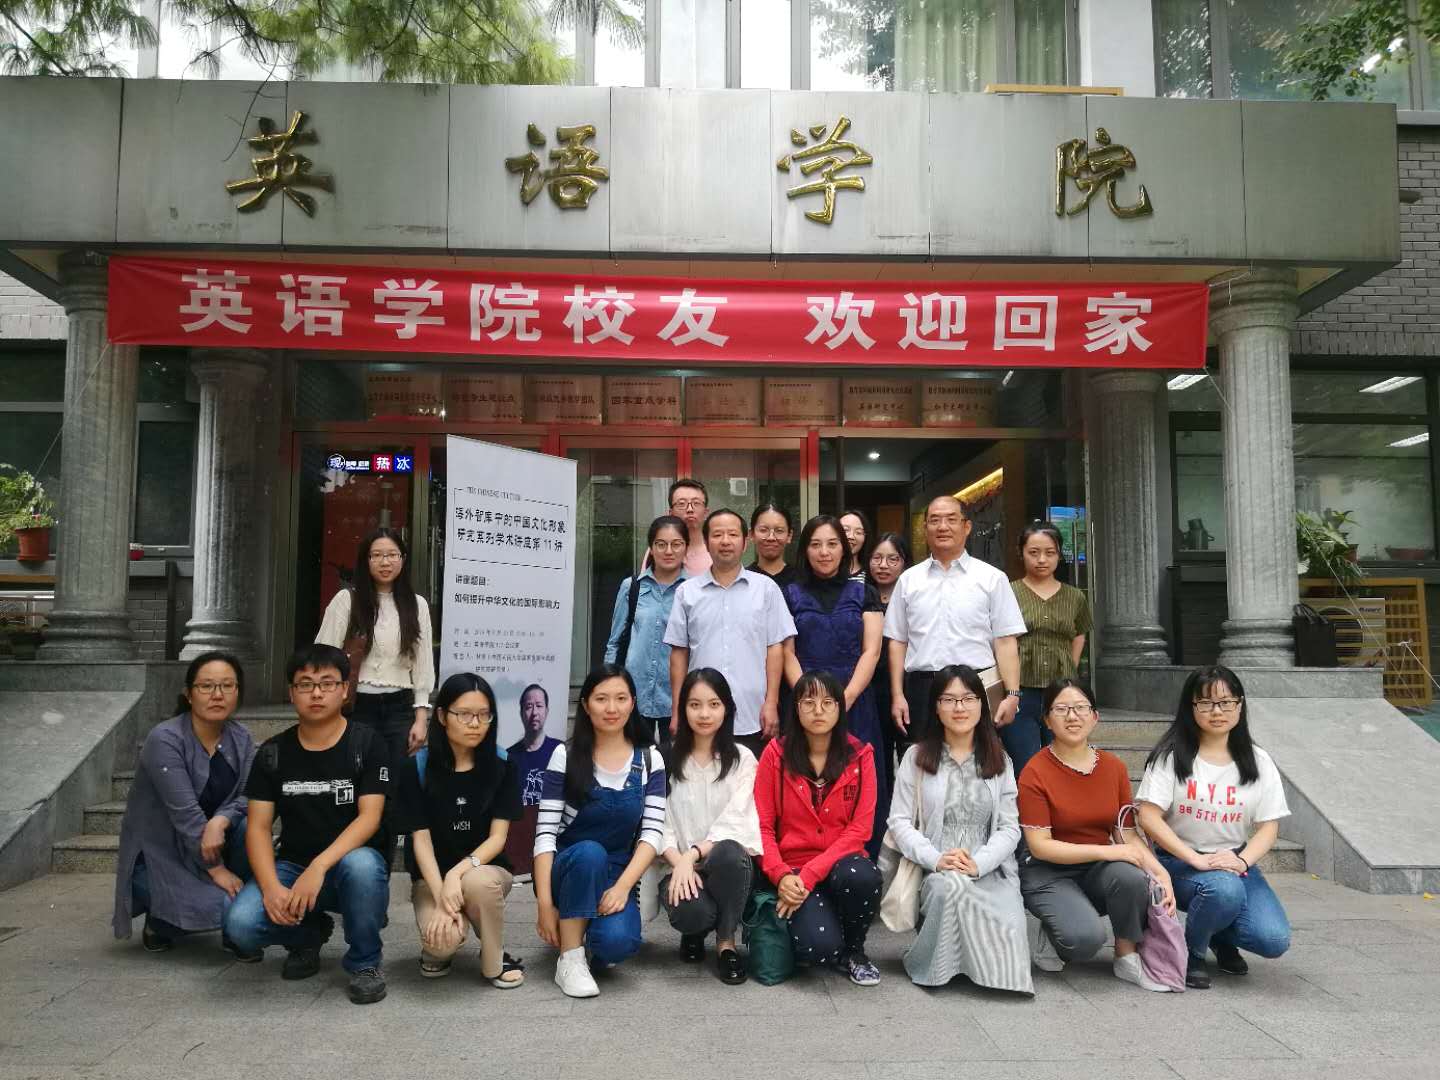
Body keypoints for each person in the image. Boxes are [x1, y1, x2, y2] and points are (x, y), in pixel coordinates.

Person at [224, 644, 392, 1005]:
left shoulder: (366, 744)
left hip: (348, 867)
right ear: (292, 693)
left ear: (344, 690)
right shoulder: (273, 752)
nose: (316, 693)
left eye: (327, 683)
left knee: (363, 866)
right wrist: (271, 887)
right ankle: (307, 935)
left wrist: (319, 866)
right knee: (241, 925)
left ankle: (365, 963)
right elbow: (258, 827)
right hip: (292, 866)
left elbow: (370, 817)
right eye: (305, 684)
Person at [1136, 666, 1291, 990]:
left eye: (1226, 702)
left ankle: (1218, 934)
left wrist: (1242, 861)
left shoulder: (1258, 761)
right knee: (1224, 890)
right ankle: (1192, 953)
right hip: (1177, 861)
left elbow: (1268, 827)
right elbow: (1148, 816)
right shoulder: (1172, 757)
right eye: (1205, 703)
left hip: (1233, 862)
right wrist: (1194, 858)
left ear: (1240, 705)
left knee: (1273, 939)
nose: (1217, 711)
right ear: (1191, 708)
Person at [1017, 678, 1176, 993]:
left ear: (1094, 717)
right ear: (1047, 720)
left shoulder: (1114, 768)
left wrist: (1161, 873)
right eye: (1061, 709)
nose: (1072, 716)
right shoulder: (1034, 771)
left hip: (1095, 871)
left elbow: (1127, 836)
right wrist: (1108, 851)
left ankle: (1126, 955)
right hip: (1047, 872)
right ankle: (1055, 927)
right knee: (1084, 941)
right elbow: (1040, 846)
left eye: (1080, 708)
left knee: (1132, 877)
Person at [886, 665, 1031, 993]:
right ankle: (937, 966)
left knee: (1010, 925)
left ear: (982, 704)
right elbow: (899, 821)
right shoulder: (916, 757)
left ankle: (975, 965)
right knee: (950, 888)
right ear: (936, 708)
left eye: (968, 699)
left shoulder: (1000, 760)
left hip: (989, 869)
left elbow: (1010, 828)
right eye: (949, 700)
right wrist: (936, 859)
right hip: (935, 867)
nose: (959, 708)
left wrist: (979, 863)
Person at [533, 665, 667, 998]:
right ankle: (570, 959)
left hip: (615, 872)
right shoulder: (564, 755)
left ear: (633, 703)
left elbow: (652, 835)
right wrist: (545, 905)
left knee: (618, 943)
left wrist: (622, 887)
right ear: (586, 704)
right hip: (569, 867)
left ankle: (586, 930)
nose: (611, 708)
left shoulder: (650, 759)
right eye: (601, 699)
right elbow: (545, 836)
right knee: (590, 853)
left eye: (621, 698)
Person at [113, 651, 255, 955]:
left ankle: (234, 921)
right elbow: (186, 815)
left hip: (216, 843)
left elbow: (249, 795)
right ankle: (160, 921)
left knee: (250, 825)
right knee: (227, 908)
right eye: (206, 686)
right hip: (163, 854)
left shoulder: (241, 738)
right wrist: (217, 870)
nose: (217, 694)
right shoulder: (165, 739)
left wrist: (221, 820)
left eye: (227, 685)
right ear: (189, 694)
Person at [754, 670, 882, 986]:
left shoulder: (860, 756)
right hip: (793, 869)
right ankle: (821, 925)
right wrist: (781, 875)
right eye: (809, 702)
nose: (818, 710)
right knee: (818, 949)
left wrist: (811, 874)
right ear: (796, 708)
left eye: (828, 702)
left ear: (840, 707)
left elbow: (860, 831)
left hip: (840, 864)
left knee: (863, 875)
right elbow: (762, 827)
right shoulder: (775, 755)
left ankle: (855, 951)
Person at [400, 672, 525, 987]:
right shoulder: (417, 767)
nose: (475, 724)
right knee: (441, 942)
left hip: (485, 870)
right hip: (431, 879)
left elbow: (498, 838)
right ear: (442, 716)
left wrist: (457, 874)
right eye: (465, 714)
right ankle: (437, 951)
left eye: (484, 715)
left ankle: (494, 960)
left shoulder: (503, 764)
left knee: (477, 882)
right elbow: (421, 841)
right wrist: (443, 895)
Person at [884, 496, 1027, 750]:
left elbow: (1005, 641)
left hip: (976, 685)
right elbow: (897, 641)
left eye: (951, 519)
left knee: (979, 762)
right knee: (923, 763)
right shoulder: (908, 580)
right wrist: (897, 695)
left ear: (967, 526)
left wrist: (1012, 694)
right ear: (925, 528)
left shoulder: (992, 578)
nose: (943, 527)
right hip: (922, 689)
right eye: (935, 520)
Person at [783, 514, 887, 857]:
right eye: (815, 544)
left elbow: (872, 651)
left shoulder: (864, 592)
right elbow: (786, 651)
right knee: (805, 780)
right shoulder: (789, 594)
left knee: (858, 781)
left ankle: (862, 858)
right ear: (805, 550)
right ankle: (806, 859)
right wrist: (808, 698)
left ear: (844, 549)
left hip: (855, 699)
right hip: (805, 700)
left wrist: (846, 697)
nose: (824, 552)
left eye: (832, 544)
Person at [665, 508, 796, 759]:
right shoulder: (687, 593)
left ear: (745, 542)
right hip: (700, 716)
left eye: (733, 534)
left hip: (753, 715)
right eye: (717, 535)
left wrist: (771, 702)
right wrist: (677, 710)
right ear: (706, 542)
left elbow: (775, 649)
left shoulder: (766, 589)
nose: (725, 541)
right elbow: (678, 654)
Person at [659, 668, 762, 984]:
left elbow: (738, 819)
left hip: (727, 868)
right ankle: (695, 930)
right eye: (695, 705)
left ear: (727, 709)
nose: (704, 714)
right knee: (693, 913)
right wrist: (680, 863)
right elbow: (657, 822)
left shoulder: (743, 759)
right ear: (683, 709)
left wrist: (693, 854)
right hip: (676, 867)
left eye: (714, 704)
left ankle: (726, 942)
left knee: (729, 853)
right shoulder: (664, 758)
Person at [316, 526, 435, 770]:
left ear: (402, 559)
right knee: (354, 776)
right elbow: (323, 657)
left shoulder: (417, 605)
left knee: (395, 780)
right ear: (366, 560)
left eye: (392, 555)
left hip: (400, 709)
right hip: (356, 706)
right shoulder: (346, 601)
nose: (385, 562)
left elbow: (422, 664)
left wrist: (421, 718)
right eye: (377, 555)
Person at [1008, 522, 1092, 777]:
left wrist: (1069, 672)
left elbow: (1079, 634)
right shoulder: (1008, 592)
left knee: (1064, 762)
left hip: (1062, 695)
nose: (1042, 559)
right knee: (1025, 765)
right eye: (1033, 552)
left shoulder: (1075, 596)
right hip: (1020, 691)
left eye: (1050, 552)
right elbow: (1000, 639)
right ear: (1021, 553)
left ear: (1059, 555)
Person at [605, 514, 689, 751]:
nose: (668, 551)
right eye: (661, 544)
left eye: (676, 544)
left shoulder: (693, 590)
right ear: (651, 547)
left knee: (674, 763)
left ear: (686, 547)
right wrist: (609, 684)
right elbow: (615, 641)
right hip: (635, 694)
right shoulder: (632, 587)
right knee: (633, 760)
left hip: (676, 698)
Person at [867, 531, 911, 799]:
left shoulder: (911, 596)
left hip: (906, 687)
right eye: (877, 558)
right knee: (878, 754)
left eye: (892, 559)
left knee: (909, 754)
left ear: (904, 562)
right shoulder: (860, 596)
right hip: (870, 689)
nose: (883, 565)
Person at [504, 684, 562, 878]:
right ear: (521, 712)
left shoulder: (560, 751)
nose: (534, 712)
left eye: (539, 706)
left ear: (547, 710)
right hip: (520, 841)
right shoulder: (509, 757)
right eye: (529, 706)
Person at [667, 478, 714, 577]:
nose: (689, 509)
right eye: (681, 504)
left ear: (706, 512)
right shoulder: (660, 549)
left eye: (696, 503)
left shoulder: (715, 551)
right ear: (671, 513)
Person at [747, 502, 796, 590]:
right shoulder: (743, 580)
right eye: (763, 530)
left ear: (789, 535)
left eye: (779, 531)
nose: (771, 538)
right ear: (751, 534)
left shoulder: (802, 581)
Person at [838, 509, 874, 582]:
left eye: (858, 532)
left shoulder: (871, 574)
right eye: (845, 530)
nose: (851, 536)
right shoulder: (823, 571)